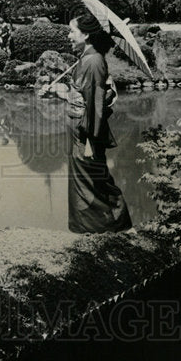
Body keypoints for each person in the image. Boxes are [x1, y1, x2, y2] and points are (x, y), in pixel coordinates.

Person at [62, 13, 132, 234]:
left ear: (86, 34)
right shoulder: (86, 58)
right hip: (80, 131)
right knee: (84, 180)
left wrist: (92, 137)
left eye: (72, 31)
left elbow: (95, 104)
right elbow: (82, 94)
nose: (68, 35)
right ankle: (86, 227)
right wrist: (62, 93)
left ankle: (116, 224)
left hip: (87, 133)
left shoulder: (93, 61)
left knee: (94, 180)